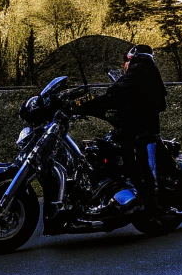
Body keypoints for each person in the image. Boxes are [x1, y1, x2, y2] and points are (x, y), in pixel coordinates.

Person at [70, 45, 169, 214]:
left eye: (126, 60)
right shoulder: (147, 70)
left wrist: (84, 106)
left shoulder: (140, 69)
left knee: (140, 170)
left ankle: (151, 210)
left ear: (132, 57)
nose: (124, 65)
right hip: (143, 130)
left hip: (140, 132)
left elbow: (117, 93)